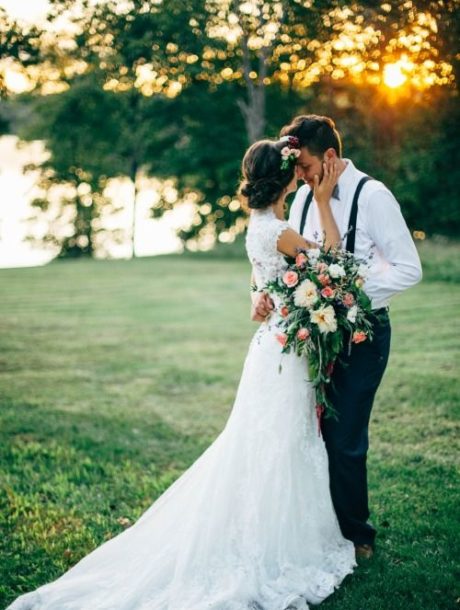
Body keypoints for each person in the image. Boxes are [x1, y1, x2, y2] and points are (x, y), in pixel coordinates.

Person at [7, 138, 356, 610]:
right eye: (295, 170)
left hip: (272, 347)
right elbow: (330, 262)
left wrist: (261, 291)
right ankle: (276, 545)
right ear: (287, 178)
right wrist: (321, 201)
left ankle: (270, 530)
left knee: (267, 441)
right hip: (283, 352)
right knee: (282, 441)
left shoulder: (261, 226)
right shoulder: (279, 231)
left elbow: (265, 278)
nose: (300, 173)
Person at [252, 115, 422, 559]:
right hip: (314, 333)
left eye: (305, 166)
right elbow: (294, 262)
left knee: (345, 436)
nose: (300, 176)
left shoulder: (374, 196)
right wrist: (266, 295)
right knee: (312, 432)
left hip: (363, 334)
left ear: (329, 157)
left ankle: (358, 536)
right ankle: (321, 531)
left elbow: (408, 268)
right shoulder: (308, 199)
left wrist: (349, 297)